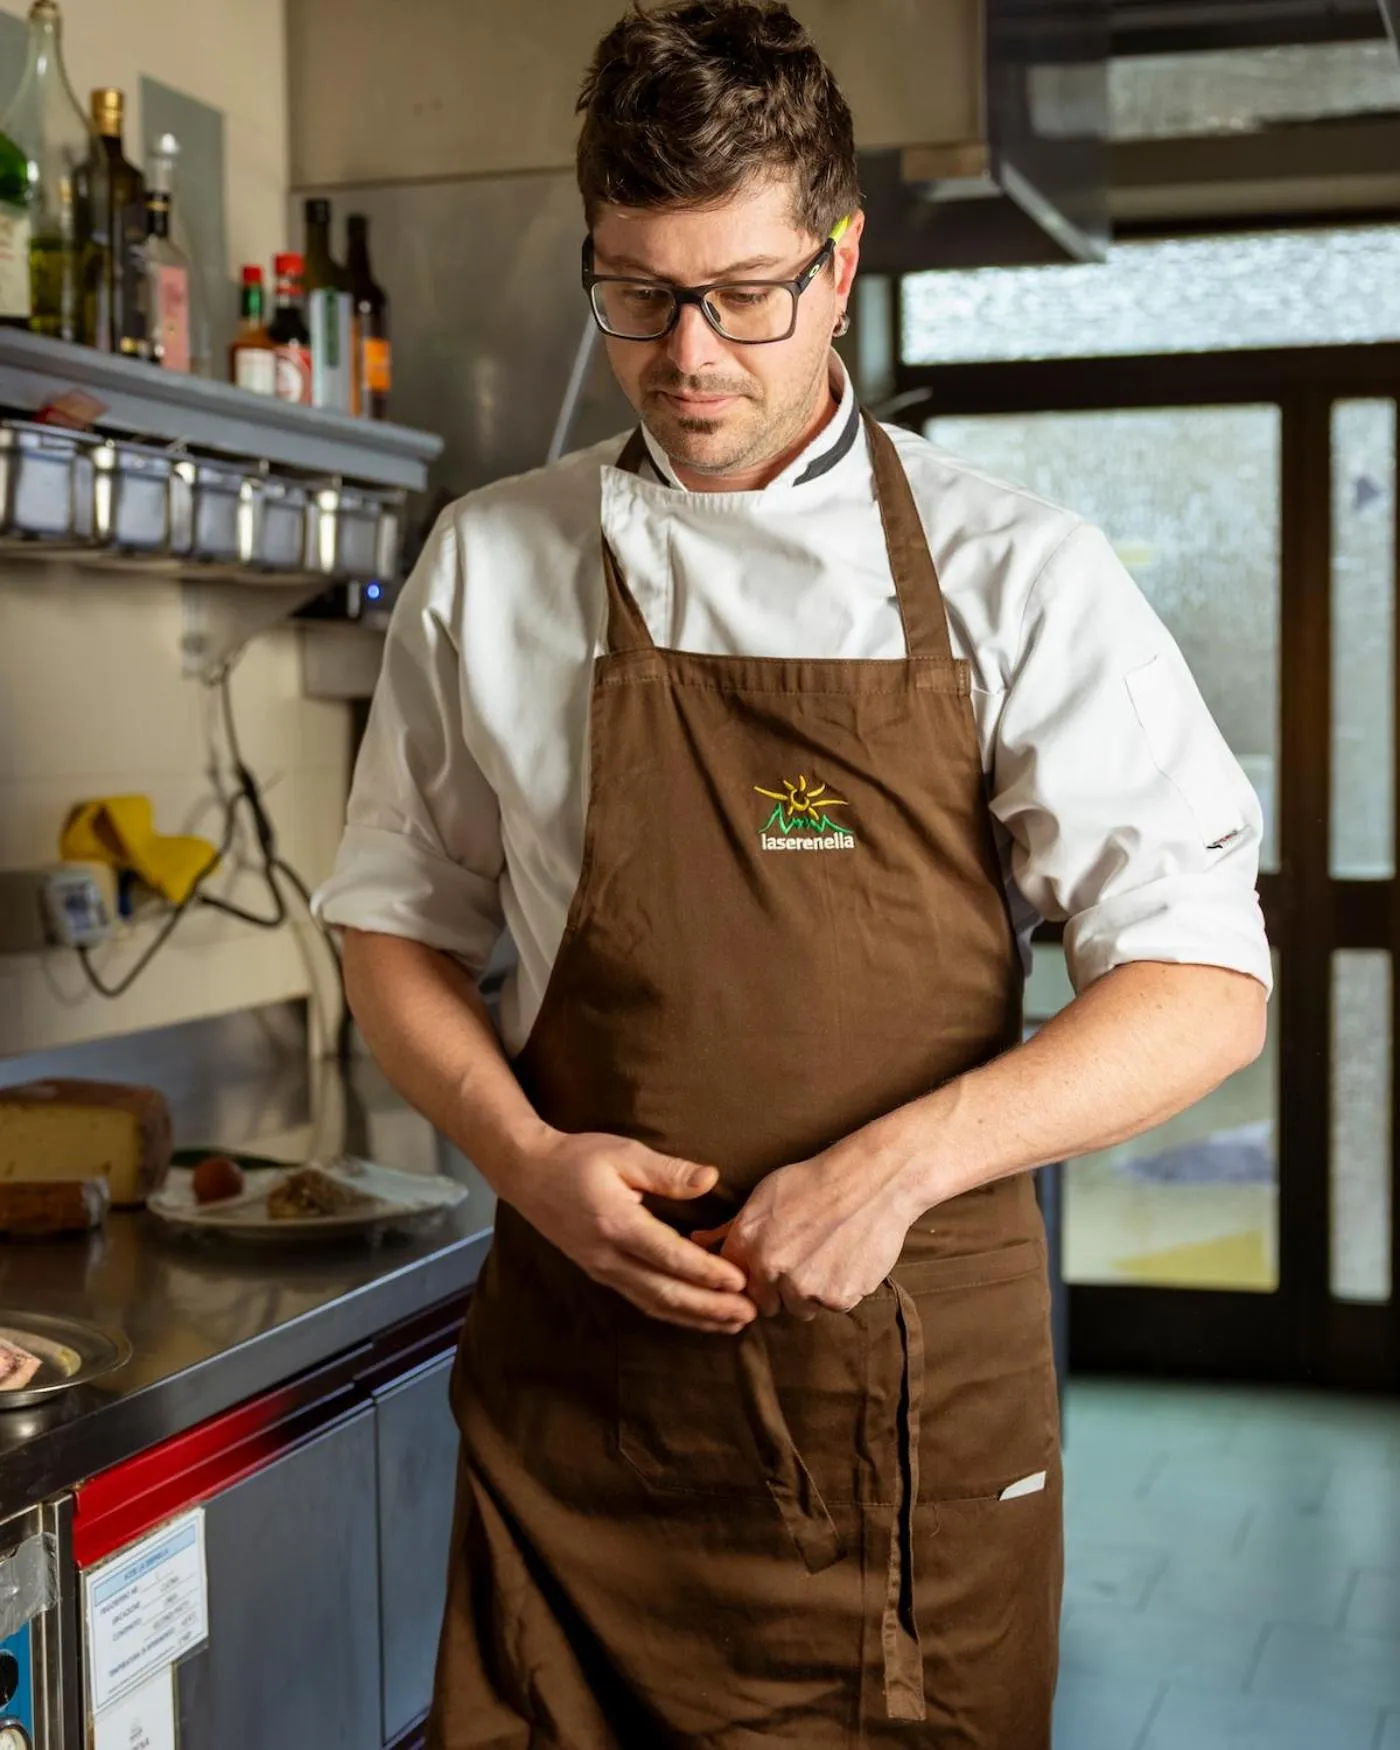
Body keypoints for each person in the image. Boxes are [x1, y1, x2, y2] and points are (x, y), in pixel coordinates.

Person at [313, 3, 1271, 1744]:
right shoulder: (495, 561)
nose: (688, 356)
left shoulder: (1016, 573)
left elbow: (1202, 987)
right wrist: (524, 1161)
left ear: (841, 262)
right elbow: (393, 923)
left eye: (745, 293)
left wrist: (900, 1164)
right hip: (577, 1424)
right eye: (636, 294)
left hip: (896, 1425)